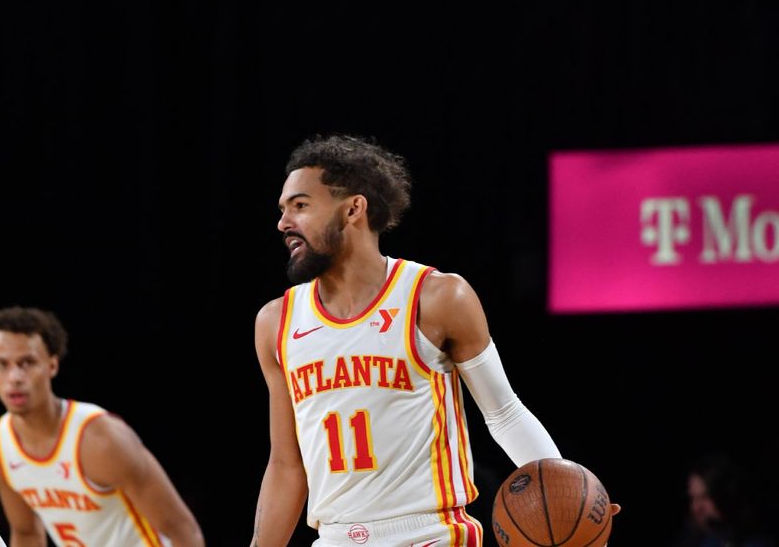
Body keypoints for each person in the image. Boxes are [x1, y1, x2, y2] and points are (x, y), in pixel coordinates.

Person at [251, 134, 616, 547]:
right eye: (283, 209)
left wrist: (568, 492)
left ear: (354, 208)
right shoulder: (276, 322)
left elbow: (505, 415)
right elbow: (285, 465)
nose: (283, 223)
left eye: (300, 205)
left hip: (429, 534)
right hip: (334, 538)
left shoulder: (437, 296)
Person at [0, 306, 205, 547]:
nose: (14, 377)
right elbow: (26, 534)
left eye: (27, 363)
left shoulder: (101, 439)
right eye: (2, 364)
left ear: (52, 365)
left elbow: (183, 530)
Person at [672, 452, 775, 547]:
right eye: (693, 498)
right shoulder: (696, 539)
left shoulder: (756, 543)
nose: (695, 507)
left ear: (728, 496)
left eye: (705, 497)